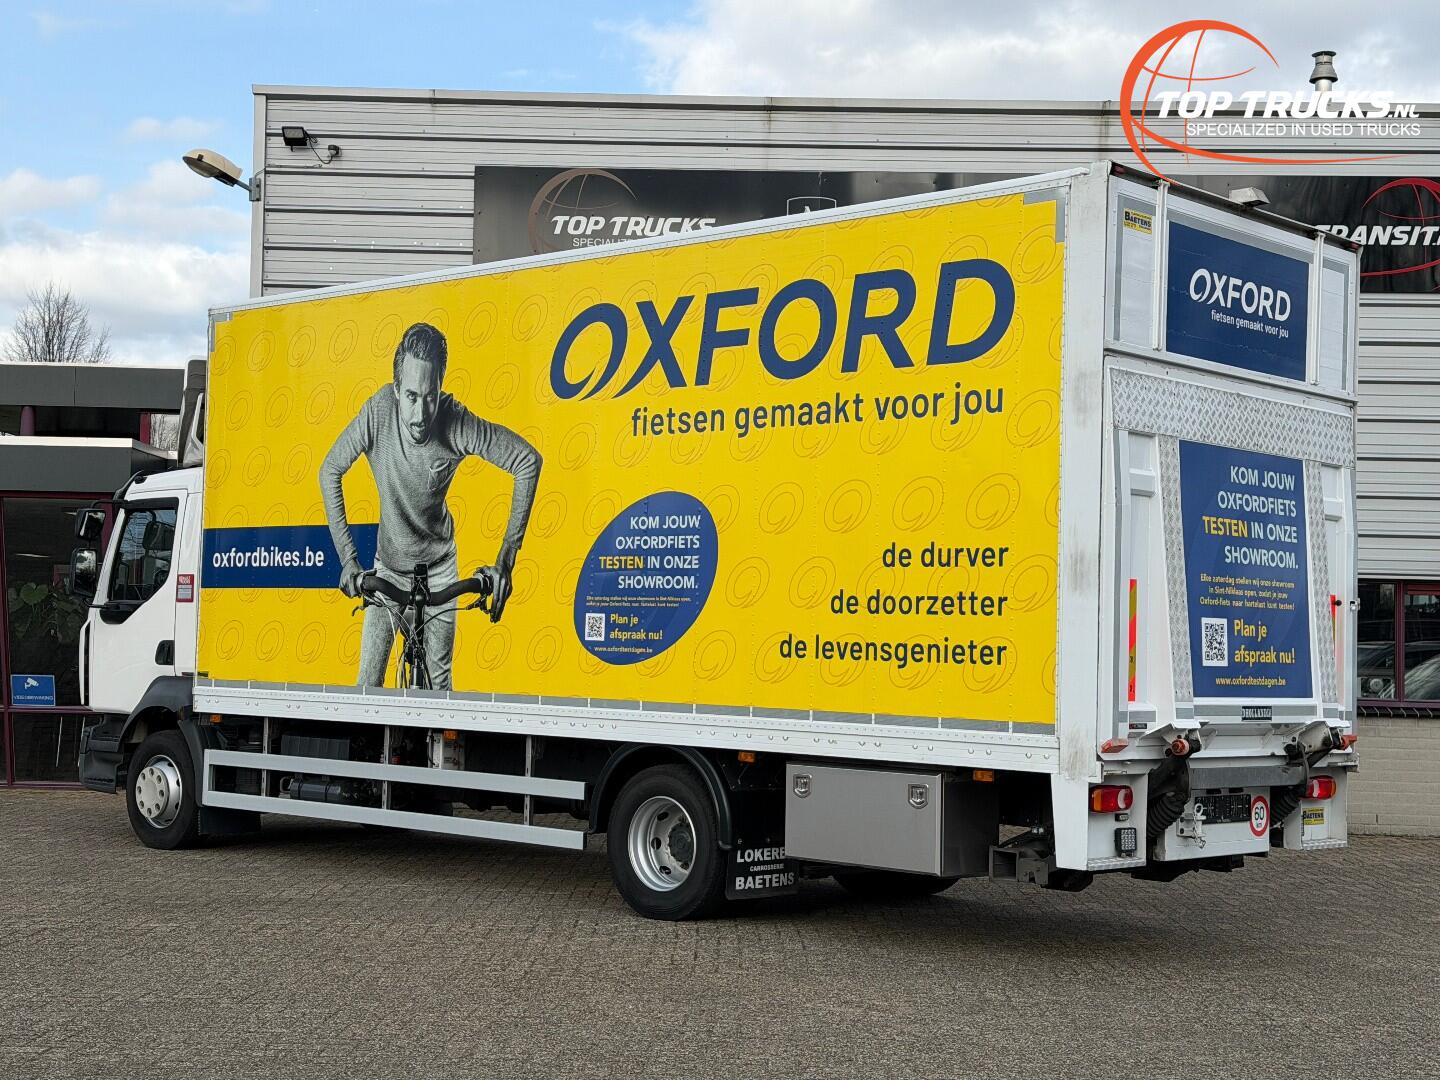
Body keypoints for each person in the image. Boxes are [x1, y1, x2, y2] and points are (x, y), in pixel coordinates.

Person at [319, 322, 541, 689]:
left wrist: (505, 561)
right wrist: (348, 560)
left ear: (440, 388)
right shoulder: (377, 413)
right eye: (410, 396)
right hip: (388, 571)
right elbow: (330, 470)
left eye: (430, 396)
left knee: (440, 689)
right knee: (366, 685)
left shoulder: (455, 422)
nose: (421, 414)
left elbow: (527, 462)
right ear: (396, 390)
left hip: (439, 571)